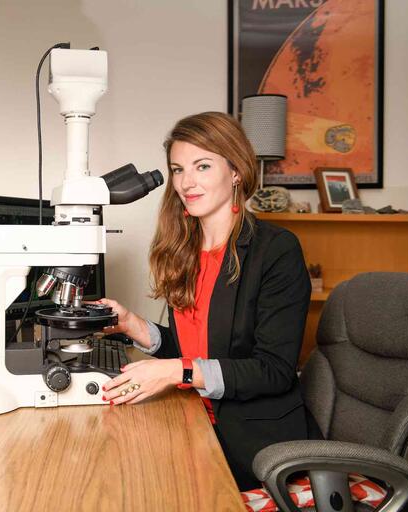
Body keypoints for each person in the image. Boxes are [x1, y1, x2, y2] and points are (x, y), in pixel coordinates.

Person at [98, 112, 315, 491]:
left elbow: (273, 370)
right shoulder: (184, 250)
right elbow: (197, 351)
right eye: (178, 169)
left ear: (236, 171)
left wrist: (174, 373)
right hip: (197, 420)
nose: (186, 182)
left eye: (202, 166)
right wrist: (134, 325)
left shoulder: (276, 250)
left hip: (256, 445)